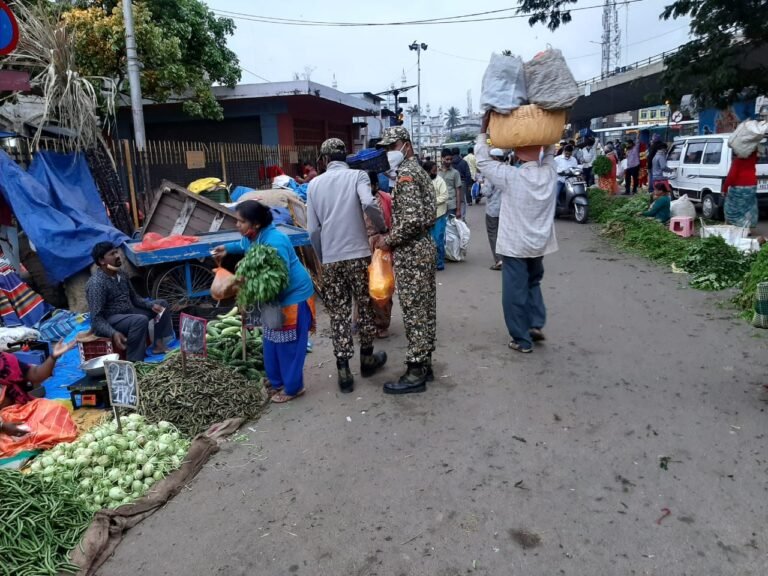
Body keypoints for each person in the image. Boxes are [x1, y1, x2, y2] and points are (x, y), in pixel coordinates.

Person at [306, 138, 388, 394]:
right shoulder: (358, 176)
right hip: (358, 254)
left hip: (331, 259)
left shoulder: (314, 184)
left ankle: (343, 371)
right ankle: (366, 359)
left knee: (338, 313)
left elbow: (312, 230)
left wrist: (323, 256)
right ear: (345, 156)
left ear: (324, 159)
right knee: (364, 308)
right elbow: (368, 203)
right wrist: (383, 228)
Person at [213, 201, 315, 403]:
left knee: (288, 346)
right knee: (271, 341)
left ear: (256, 223)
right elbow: (242, 245)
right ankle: (277, 382)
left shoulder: (275, 240)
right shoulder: (253, 237)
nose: (236, 225)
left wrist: (243, 286)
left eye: (240, 221)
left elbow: (279, 278)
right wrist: (226, 249)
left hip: (293, 297)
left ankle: (294, 387)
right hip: (272, 300)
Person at [476, 113, 557, 353]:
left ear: (517, 151)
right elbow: (551, 151)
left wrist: (484, 129)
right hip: (539, 244)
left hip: (515, 245)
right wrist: (549, 127)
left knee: (514, 290)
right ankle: (534, 324)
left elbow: (483, 161)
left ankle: (521, 339)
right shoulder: (550, 173)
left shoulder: (511, 176)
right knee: (534, 281)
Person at [375, 126, 437, 394]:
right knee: (425, 308)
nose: (389, 152)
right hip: (421, 247)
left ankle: (415, 372)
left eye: (392, 146)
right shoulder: (417, 170)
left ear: (406, 145)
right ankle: (425, 362)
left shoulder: (407, 174)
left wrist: (388, 240)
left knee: (414, 311)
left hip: (412, 251)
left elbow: (410, 220)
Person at [86, 243, 173, 362]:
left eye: (117, 252)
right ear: (102, 260)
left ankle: (159, 345)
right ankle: (134, 362)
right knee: (139, 320)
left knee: (162, 305)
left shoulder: (121, 273)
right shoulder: (97, 284)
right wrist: (113, 332)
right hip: (110, 319)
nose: (117, 256)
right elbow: (96, 319)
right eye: (112, 254)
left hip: (128, 312)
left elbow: (135, 299)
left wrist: (151, 305)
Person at [0, 343, 78, 457]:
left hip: (23, 410)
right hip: (3, 424)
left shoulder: (4, 360)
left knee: (54, 409)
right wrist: (3, 426)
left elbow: (35, 374)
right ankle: (32, 442)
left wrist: (53, 357)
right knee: (7, 443)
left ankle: (37, 439)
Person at [365, 172, 394, 338]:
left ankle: (382, 323)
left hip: (381, 246)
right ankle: (366, 320)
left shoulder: (385, 198)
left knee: (382, 285)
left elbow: (393, 222)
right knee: (364, 286)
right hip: (362, 246)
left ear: (375, 185)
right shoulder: (357, 200)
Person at [723, 151, 759, 230]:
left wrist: (725, 189)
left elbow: (731, 176)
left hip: (739, 187)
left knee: (731, 207)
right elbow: (757, 155)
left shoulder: (737, 161)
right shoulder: (752, 160)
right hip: (752, 186)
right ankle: (748, 228)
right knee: (749, 207)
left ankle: (738, 227)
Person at [425, 160, 450, 271]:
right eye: (433, 171)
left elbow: (444, 196)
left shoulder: (440, 181)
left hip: (439, 215)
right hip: (426, 216)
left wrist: (431, 201)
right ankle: (430, 262)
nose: (435, 172)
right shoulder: (424, 181)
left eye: (435, 170)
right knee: (428, 241)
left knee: (438, 240)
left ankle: (439, 263)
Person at [483, 148, 505, 271]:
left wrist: (481, 186)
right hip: (506, 209)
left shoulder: (491, 173)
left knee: (493, 234)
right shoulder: (509, 170)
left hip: (493, 209)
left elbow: (486, 191)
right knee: (504, 234)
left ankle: (499, 260)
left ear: (495, 158)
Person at [439, 149, 463, 220]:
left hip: (451, 205)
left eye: (451, 159)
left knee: (450, 229)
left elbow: (458, 191)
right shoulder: (437, 172)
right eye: (447, 159)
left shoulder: (455, 173)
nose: (449, 161)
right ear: (442, 158)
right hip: (440, 205)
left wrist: (458, 209)